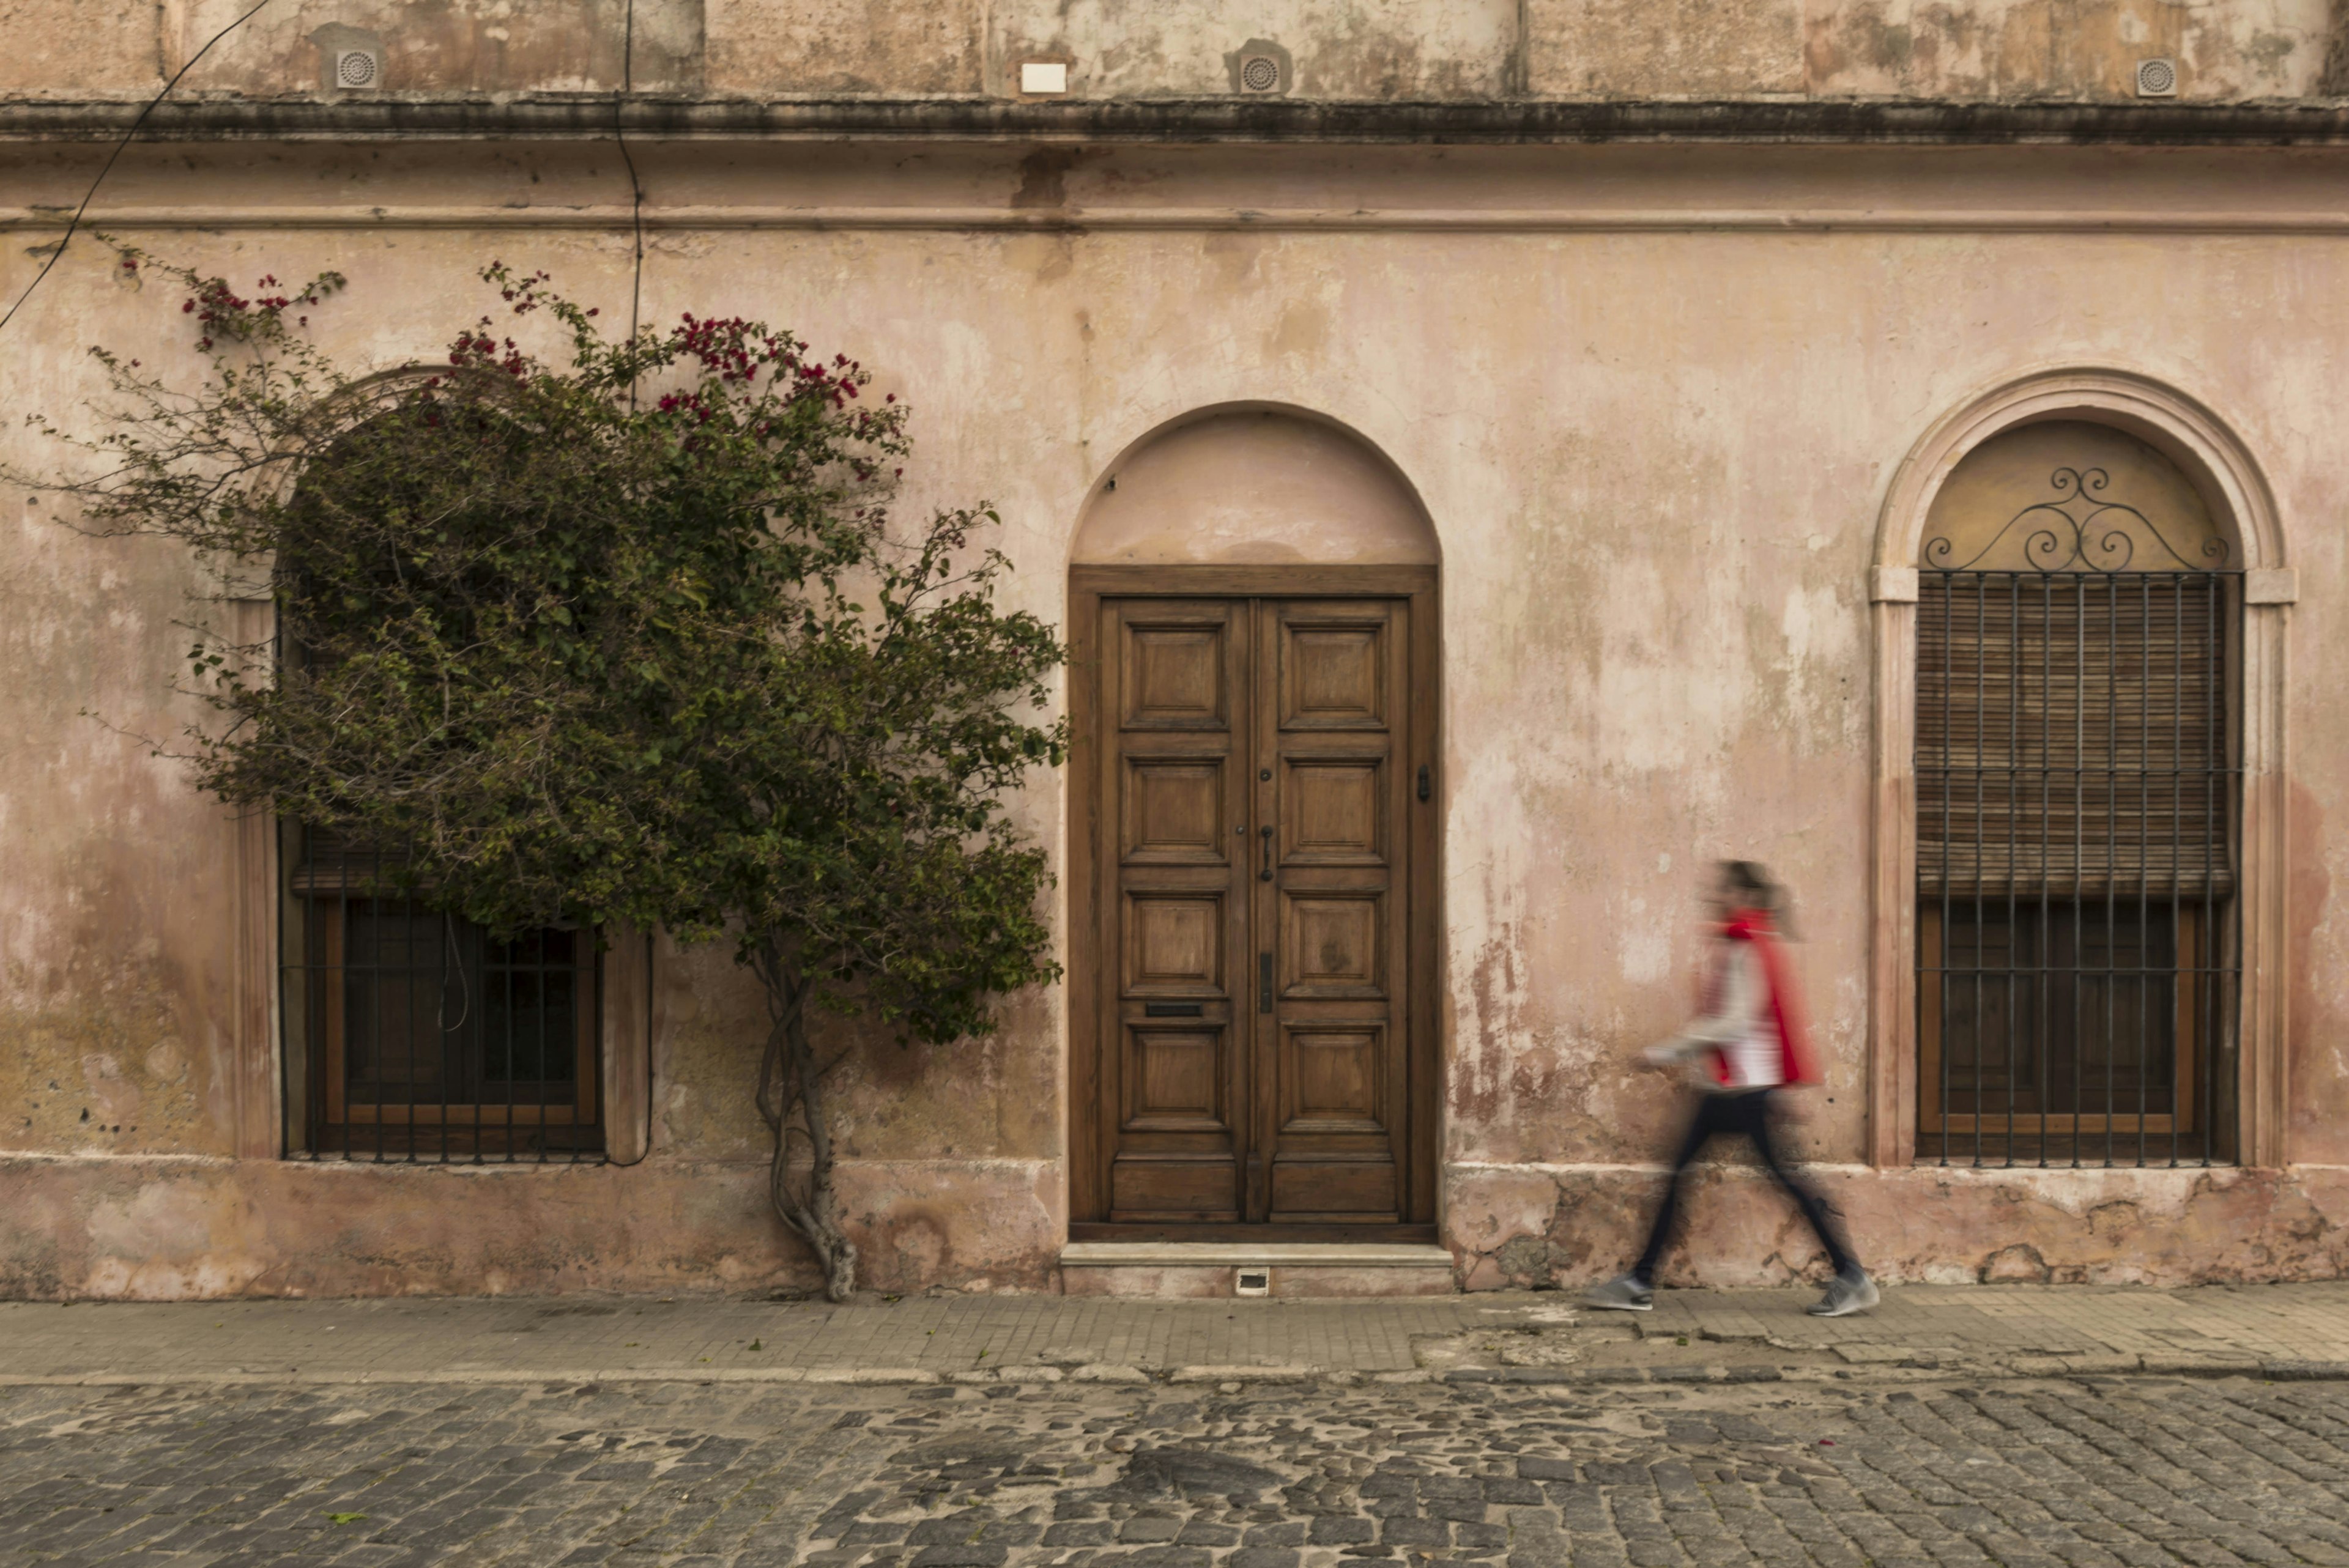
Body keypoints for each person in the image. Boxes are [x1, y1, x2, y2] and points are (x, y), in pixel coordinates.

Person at [1587, 860, 1879, 1318]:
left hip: (1744, 1093)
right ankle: (1640, 1281)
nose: (1716, 896)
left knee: (1781, 1182)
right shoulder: (1747, 942)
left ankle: (1852, 1276)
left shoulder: (1746, 945)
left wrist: (1666, 1052)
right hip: (1732, 1092)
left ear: (1744, 895)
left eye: (1725, 890)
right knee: (1693, 1177)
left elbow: (1737, 1022)